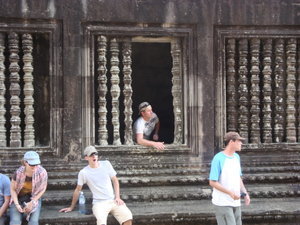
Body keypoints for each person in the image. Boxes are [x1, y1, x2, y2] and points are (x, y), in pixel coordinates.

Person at [60, 146, 133, 225]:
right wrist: (71, 207)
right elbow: (78, 190)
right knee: (101, 222)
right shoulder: (84, 172)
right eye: (91, 155)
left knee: (128, 218)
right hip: (99, 204)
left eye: (95, 154)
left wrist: (117, 197)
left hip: (113, 200)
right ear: (86, 158)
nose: (94, 156)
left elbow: (115, 180)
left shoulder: (106, 164)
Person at [209, 132, 251, 225]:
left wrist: (245, 193)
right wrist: (230, 193)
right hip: (222, 202)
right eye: (239, 141)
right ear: (232, 142)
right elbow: (212, 182)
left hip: (236, 201)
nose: (241, 143)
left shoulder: (236, 157)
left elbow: (238, 178)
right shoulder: (218, 158)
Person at [10, 151, 48, 225]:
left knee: (33, 222)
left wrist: (32, 202)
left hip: (34, 198)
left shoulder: (42, 172)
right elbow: (13, 189)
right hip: (19, 198)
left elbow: (43, 188)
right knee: (15, 222)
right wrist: (17, 204)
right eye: (32, 164)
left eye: (37, 164)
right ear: (25, 162)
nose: (35, 167)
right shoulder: (18, 173)